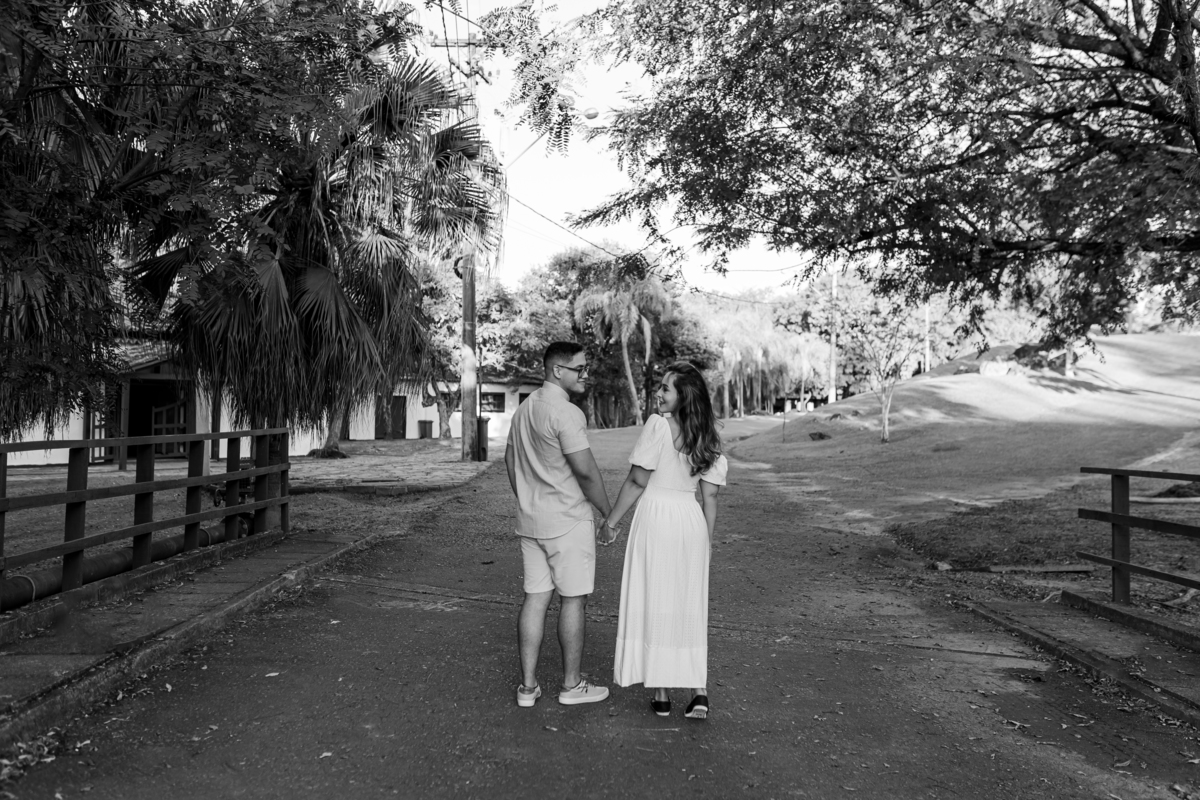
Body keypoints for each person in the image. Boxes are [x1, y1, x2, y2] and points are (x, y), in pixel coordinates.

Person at [603, 361, 727, 720]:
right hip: (691, 522)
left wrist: (610, 522)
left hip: (657, 517)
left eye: (665, 388)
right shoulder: (707, 437)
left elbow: (637, 481)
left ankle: (661, 693)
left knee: (656, 597)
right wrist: (705, 544)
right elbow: (710, 498)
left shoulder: (659, 426)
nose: (658, 393)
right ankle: (699, 692)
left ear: (683, 396)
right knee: (688, 604)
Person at [505, 341, 615, 708]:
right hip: (567, 520)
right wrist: (607, 513)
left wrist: (527, 498)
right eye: (579, 369)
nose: (585, 374)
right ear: (557, 370)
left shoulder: (524, 410)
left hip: (531, 520)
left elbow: (509, 460)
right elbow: (585, 471)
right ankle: (571, 685)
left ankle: (527, 687)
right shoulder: (566, 413)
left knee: (535, 598)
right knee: (573, 600)